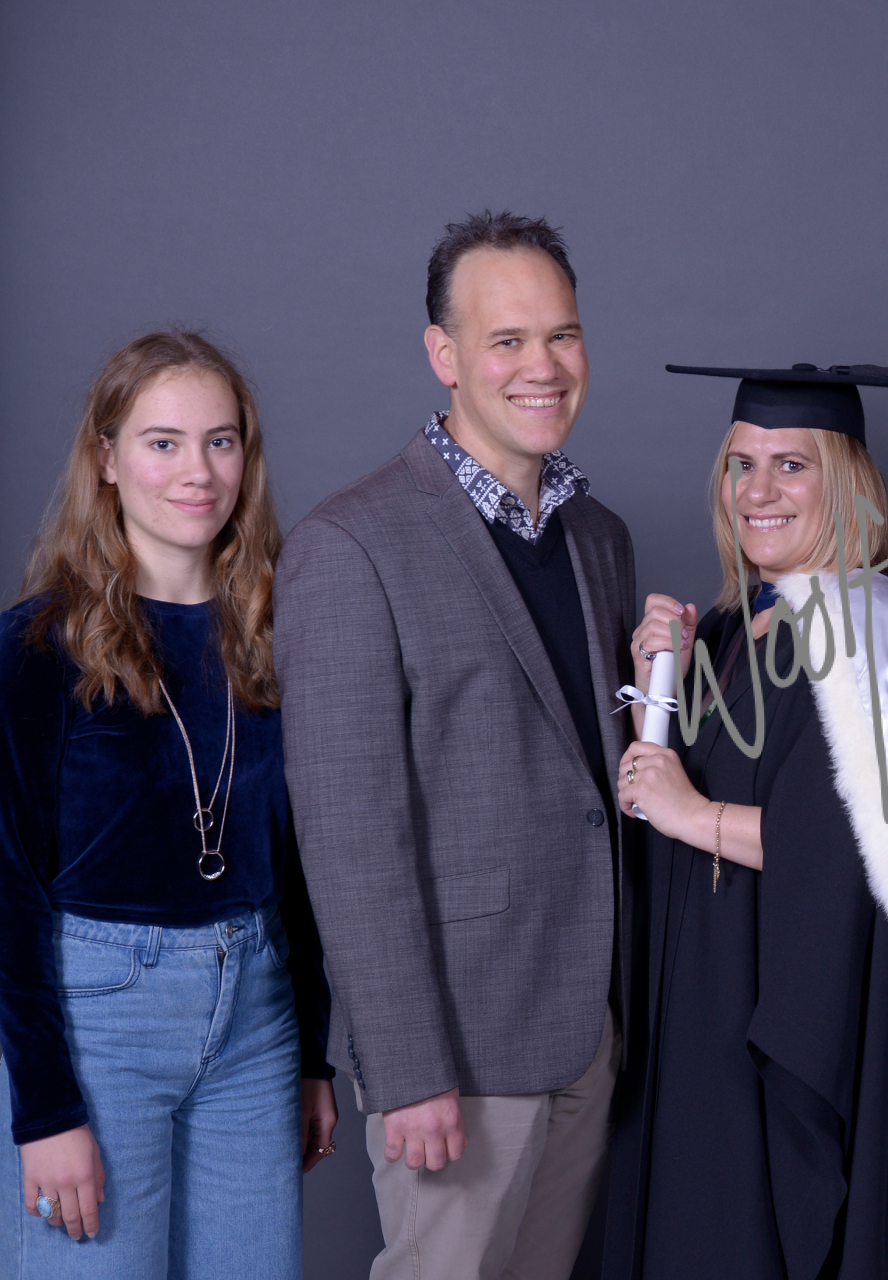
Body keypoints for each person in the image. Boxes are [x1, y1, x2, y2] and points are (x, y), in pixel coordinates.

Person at [273, 211, 635, 1280]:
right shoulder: (351, 546)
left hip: (589, 1028)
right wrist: (406, 1065)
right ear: (444, 354)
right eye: (506, 340)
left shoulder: (598, 537)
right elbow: (348, 838)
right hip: (458, 1047)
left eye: (562, 335)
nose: (542, 366)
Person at [602, 361, 888, 1278]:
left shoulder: (871, 635)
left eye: (791, 466)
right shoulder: (734, 629)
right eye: (742, 464)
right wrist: (659, 693)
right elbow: (657, 802)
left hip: (788, 1026)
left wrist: (692, 813)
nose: (758, 491)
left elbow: (862, 849)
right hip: (701, 1014)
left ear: (845, 485)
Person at [0, 331, 337, 1278]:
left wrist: (312, 1055)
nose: (198, 471)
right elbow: (7, 889)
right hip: (99, 1019)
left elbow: (303, 861)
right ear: (107, 459)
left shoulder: (281, 634)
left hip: (255, 1017)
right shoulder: (37, 646)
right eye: (164, 443)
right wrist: (44, 1111)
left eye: (220, 442)